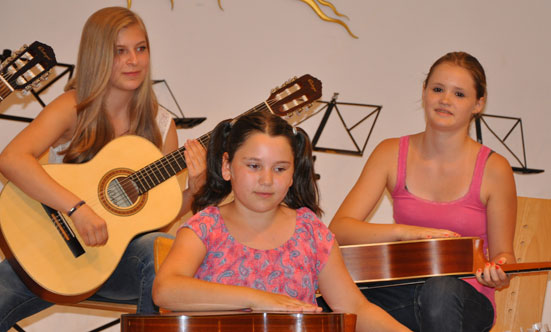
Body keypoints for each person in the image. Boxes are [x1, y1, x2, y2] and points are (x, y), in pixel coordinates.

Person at [0, 6, 206, 331]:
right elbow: (12, 158)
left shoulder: (162, 124)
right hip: (54, 250)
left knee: (159, 248)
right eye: (119, 52)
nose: (134, 61)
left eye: (141, 49)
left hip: (120, 260)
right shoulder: (73, 107)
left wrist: (193, 192)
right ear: (97, 56)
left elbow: (157, 217)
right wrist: (77, 208)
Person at [152, 111, 411, 332]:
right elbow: (165, 289)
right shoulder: (205, 227)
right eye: (254, 166)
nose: (267, 180)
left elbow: (355, 308)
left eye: (280, 168)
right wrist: (259, 301)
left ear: (292, 175)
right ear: (227, 166)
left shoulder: (311, 232)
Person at [328, 51, 517, 331]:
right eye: (438, 89)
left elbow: (505, 255)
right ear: (424, 92)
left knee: (439, 291)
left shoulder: (495, 168)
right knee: (331, 296)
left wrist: (499, 270)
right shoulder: (390, 152)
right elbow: (339, 230)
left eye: (459, 94)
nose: (445, 100)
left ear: (478, 104)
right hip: (403, 291)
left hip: (465, 299)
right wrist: (407, 232)